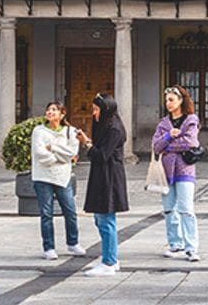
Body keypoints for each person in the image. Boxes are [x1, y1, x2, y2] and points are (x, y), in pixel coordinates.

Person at [76, 93, 128, 277]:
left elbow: (102, 155)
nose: (94, 113)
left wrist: (86, 145)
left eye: (96, 109)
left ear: (106, 110)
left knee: (106, 220)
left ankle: (109, 262)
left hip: (109, 177)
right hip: (103, 176)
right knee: (101, 219)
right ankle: (110, 258)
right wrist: (89, 142)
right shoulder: (107, 126)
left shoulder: (114, 129)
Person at [30, 100, 85, 260]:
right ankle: (49, 247)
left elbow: (72, 153)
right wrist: (59, 158)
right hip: (42, 176)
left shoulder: (71, 131)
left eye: (54, 110)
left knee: (70, 211)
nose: (50, 112)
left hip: (63, 176)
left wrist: (52, 148)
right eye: (48, 110)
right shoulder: (38, 131)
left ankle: (73, 242)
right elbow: (39, 154)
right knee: (46, 213)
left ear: (62, 114)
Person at [153, 85, 200, 262]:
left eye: (172, 100)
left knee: (186, 209)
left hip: (184, 169)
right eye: (166, 100)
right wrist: (168, 136)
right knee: (168, 209)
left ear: (181, 100)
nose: (168, 103)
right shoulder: (163, 123)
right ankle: (175, 243)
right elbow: (156, 146)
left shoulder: (191, 120)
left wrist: (168, 146)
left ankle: (191, 247)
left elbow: (191, 142)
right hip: (165, 172)